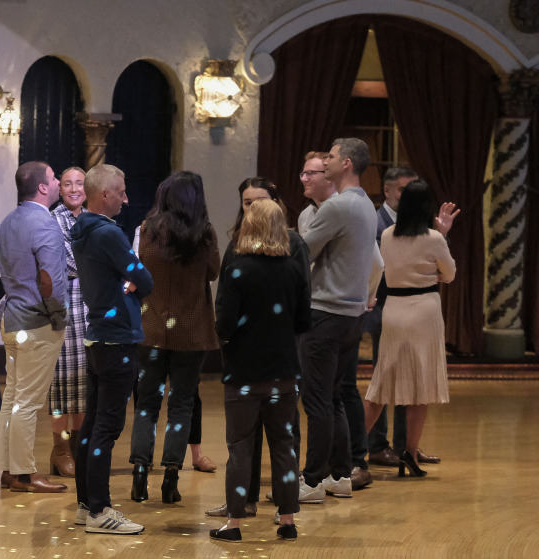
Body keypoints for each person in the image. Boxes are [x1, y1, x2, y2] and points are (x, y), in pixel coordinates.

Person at [205, 177, 310, 519]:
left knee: (240, 447)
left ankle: (236, 518)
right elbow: (304, 320)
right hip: (284, 368)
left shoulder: (238, 268)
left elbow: (224, 322)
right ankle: (288, 517)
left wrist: (228, 340)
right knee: (284, 445)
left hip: (244, 370)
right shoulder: (294, 269)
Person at [297, 138, 382, 502]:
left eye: (330, 156)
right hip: (351, 316)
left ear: (346, 163)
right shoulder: (365, 204)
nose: (326, 161)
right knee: (332, 399)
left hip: (325, 314)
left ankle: (312, 481)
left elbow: (302, 252)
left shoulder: (337, 205)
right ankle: (340, 475)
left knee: (316, 400)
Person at [127, 171, 219, 504]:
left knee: (146, 405)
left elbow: (134, 271)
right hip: (191, 334)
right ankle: (170, 478)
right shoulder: (204, 233)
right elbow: (213, 272)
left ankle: (140, 474)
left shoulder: (146, 230)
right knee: (181, 405)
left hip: (150, 330)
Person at [71, 164, 153, 534]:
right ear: (104, 194)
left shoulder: (82, 228)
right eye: (120, 191)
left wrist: (126, 278)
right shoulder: (109, 233)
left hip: (98, 335)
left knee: (91, 423)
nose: (126, 198)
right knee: (106, 426)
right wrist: (130, 280)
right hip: (117, 336)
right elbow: (145, 279)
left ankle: (86, 504)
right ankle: (100, 511)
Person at [364, 180, 457, 477]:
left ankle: (351, 450)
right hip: (424, 310)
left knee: (380, 385)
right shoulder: (434, 238)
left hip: (393, 309)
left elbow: (384, 269)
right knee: (421, 388)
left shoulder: (387, 234)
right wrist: (442, 238)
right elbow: (449, 274)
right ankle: (410, 453)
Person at [0, 161, 68, 493]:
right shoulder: (45, 224)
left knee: (12, 398)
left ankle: (9, 470)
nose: (57, 182)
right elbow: (50, 281)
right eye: (54, 178)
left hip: (10, 319)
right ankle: (24, 475)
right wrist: (59, 318)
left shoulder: (8, 221)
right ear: (42, 187)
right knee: (27, 402)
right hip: (36, 322)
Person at [47, 166, 87, 478]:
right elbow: (70, 264)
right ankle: (60, 450)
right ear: (59, 189)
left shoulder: (91, 218)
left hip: (90, 311)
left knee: (84, 385)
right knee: (61, 386)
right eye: (68, 184)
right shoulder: (53, 220)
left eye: (80, 183)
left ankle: (77, 447)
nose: (74, 189)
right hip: (64, 310)